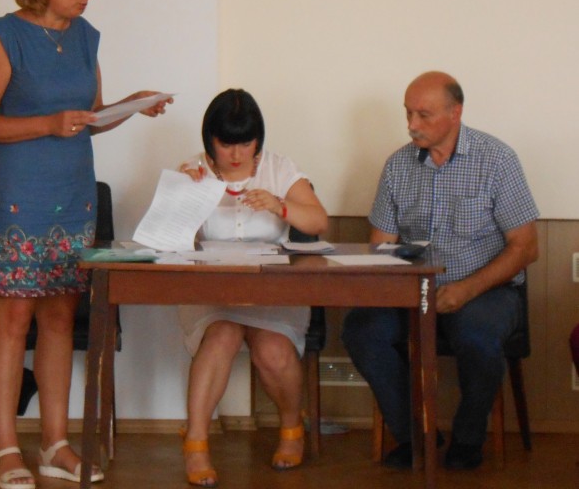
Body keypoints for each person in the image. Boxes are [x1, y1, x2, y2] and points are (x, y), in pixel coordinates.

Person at [0, 0, 172, 489]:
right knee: (13, 320)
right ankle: (6, 449)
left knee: (59, 317)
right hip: (19, 197)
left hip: (73, 193)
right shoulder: (3, 36)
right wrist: (47, 124)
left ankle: (56, 444)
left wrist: (131, 107)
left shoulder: (85, 37)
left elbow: (89, 117)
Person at [342, 71, 538, 471]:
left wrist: (466, 290)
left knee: (477, 336)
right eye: (408, 113)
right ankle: (417, 436)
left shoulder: (497, 160)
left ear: (455, 113)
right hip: (412, 290)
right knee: (361, 330)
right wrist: (393, 290)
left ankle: (468, 439)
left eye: (424, 115)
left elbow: (526, 247)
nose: (412, 125)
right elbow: (382, 247)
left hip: (486, 290)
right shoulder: (398, 166)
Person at [177, 88, 328, 487]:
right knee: (222, 336)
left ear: (258, 140)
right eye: (226, 144)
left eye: (246, 143)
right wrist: (181, 195)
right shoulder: (195, 171)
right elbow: (169, 238)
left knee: (272, 349)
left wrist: (281, 206)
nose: (236, 154)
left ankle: (292, 428)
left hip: (272, 290)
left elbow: (319, 221)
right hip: (213, 290)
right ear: (210, 140)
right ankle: (196, 443)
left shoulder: (279, 168)